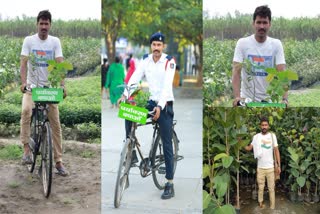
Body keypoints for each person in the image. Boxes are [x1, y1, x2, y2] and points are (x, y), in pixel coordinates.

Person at [119, 32, 176, 200]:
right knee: (129, 113)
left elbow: (167, 87)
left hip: (165, 104)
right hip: (151, 102)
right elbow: (135, 78)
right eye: (154, 45)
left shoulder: (169, 61)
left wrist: (160, 105)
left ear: (163, 46)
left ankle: (170, 183)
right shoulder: (145, 60)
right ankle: (131, 149)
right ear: (150, 46)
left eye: (159, 45)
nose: (156, 48)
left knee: (166, 143)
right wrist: (125, 95)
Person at [20, 10, 68, 176]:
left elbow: (60, 64)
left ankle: (58, 161)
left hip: (48, 89)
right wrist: (24, 83)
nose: (44, 27)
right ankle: (26, 149)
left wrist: (62, 85)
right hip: (32, 88)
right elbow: (24, 64)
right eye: (41, 23)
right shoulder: (29, 41)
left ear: (50, 25)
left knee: (55, 122)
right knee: (26, 110)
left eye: (47, 24)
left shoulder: (55, 42)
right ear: (37, 24)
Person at [232, 5, 288, 106]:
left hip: (268, 100)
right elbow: (236, 72)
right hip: (246, 100)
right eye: (259, 22)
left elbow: (282, 73)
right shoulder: (242, 43)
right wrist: (237, 97)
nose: (262, 26)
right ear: (253, 23)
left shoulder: (276, 44)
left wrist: (285, 99)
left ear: (269, 24)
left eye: (265, 22)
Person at [244, 117, 281, 209]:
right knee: (260, 187)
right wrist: (240, 142)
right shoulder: (256, 137)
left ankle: (272, 206)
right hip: (260, 167)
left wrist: (278, 165)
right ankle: (260, 203)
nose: (264, 126)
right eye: (263, 125)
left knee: (271, 188)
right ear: (260, 126)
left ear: (268, 126)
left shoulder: (272, 136)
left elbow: (276, 151)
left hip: (270, 167)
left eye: (266, 125)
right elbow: (249, 148)